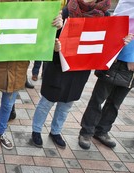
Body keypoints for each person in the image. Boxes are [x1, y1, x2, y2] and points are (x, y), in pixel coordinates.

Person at [0, 0, 62, 150]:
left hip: (17, 68)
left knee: (7, 105)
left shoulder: (34, 5)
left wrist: (56, 26)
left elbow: (42, 35)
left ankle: (0, 133)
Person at [31, 0, 113, 149]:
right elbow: (47, 36)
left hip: (81, 69)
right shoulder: (67, 11)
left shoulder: (104, 15)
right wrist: (57, 35)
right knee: (47, 101)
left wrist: (121, 40)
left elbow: (108, 40)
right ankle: (36, 130)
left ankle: (56, 131)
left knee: (67, 103)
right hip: (58, 65)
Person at [78, 0, 134, 150]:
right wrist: (129, 55)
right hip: (116, 56)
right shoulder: (127, 4)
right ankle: (86, 131)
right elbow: (118, 24)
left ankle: (102, 130)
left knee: (116, 102)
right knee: (98, 98)